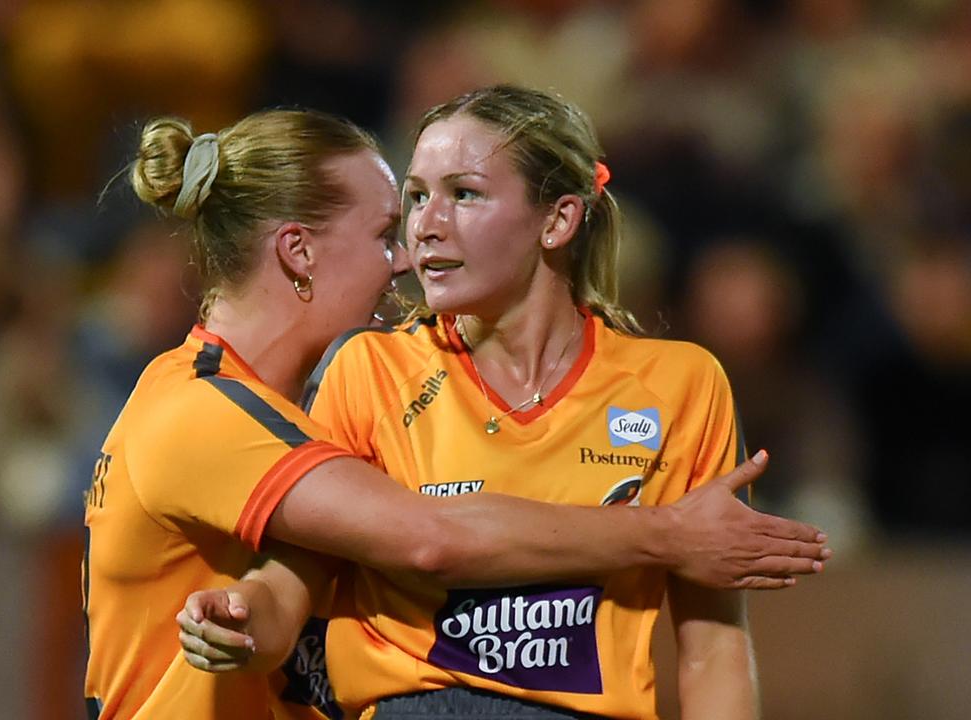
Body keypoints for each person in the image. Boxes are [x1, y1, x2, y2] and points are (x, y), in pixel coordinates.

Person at [84, 104, 828, 719]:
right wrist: (668, 534)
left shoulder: (680, 384)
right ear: (298, 252)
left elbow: (714, 646)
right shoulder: (319, 383)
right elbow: (417, 542)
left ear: (560, 220)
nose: (415, 239)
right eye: (403, 212)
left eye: (462, 195)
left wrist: (251, 618)